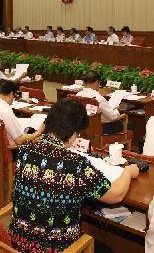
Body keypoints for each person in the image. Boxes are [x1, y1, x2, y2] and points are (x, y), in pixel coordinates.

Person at [10, 98, 140, 251]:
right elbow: (116, 195)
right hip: (57, 248)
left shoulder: (25, 150)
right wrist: (128, 172)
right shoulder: (75, 163)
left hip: (18, 242)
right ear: (73, 134)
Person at [0, 80, 44, 146]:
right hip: (12, 149)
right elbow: (19, 140)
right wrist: (38, 133)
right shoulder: (5, 111)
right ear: (11, 94)